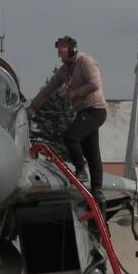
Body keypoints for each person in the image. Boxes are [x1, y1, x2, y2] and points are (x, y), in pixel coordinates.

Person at [27, 36, 108, 203]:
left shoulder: (86, 61)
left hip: (95, 110)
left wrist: (75, 93)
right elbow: (48, 90)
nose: (59, 54)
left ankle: (80, 170)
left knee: (70, 136)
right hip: (83, 112)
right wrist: (33, 108)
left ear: (71, 49)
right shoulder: (65, 70)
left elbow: (94, 84)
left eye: (61, 50)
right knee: (92, 152)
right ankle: (97, 190)